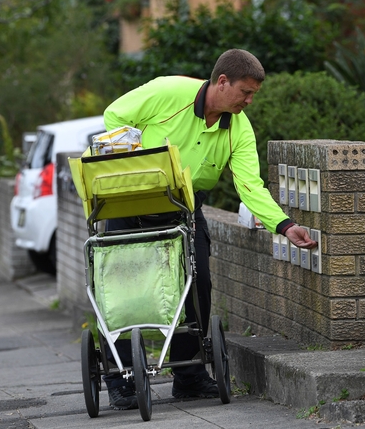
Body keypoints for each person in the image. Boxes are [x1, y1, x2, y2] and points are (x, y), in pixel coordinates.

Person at [101, 48, 317, 410]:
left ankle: (188, 376)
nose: (249, 101)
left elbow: (249, 185)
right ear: (221, 82)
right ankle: (120, 376)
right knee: (123, 288)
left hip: (185, 206)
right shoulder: (169, 92)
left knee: (198, 284)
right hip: (133, 198)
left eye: (253, 95)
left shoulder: (239, 129)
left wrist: (285, 225)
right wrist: (139, 163)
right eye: (245, 92)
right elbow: (115, 113)